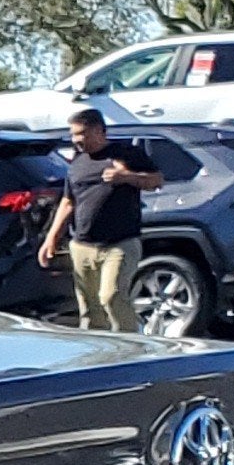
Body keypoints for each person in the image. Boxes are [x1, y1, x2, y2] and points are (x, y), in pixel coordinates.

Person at [39, 105, 166, 335]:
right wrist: (51, 238)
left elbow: (156, 180)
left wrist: (127, 176)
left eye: (81, 133)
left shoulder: (126, 154)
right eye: (73, 134)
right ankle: (97, 354)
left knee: (111, 296)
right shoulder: (78, 163)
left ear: (99, 131)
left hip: (120, 244)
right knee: (89, 310)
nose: (76, 139)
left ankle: (133, 345)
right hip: (82, 246)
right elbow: (68, 202)